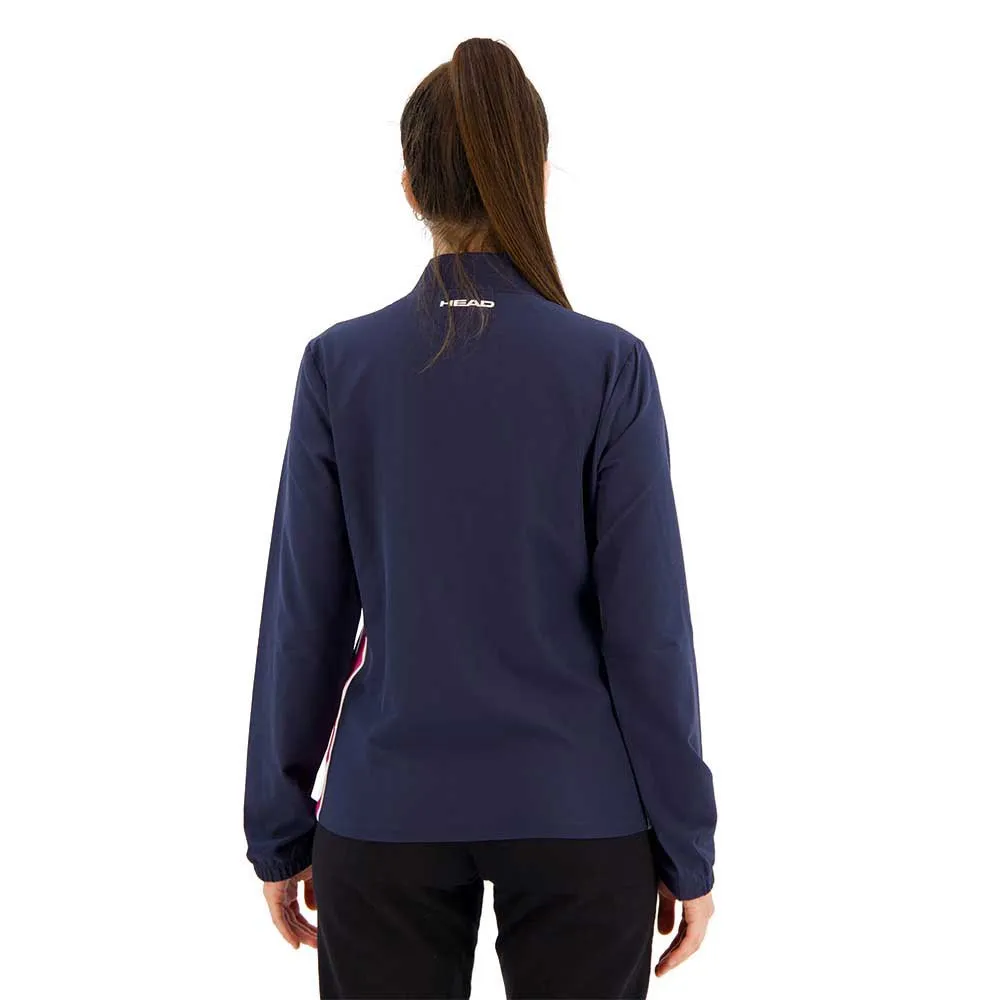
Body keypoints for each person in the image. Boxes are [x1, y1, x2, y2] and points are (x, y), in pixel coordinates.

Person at [243, 36, 717, 1000]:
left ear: (410, 189)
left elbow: (306, 622)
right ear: (534, 176)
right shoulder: (608, 366)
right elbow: (649, 634)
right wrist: (686, 844)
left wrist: (279, 829)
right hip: (580, 808)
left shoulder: (340, 365)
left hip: (386, 812)